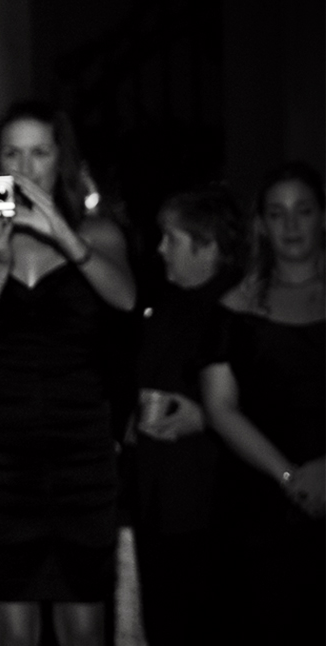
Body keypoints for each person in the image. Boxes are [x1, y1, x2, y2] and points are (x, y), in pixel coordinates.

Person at [0, 101, 136, 646]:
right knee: (10, 622)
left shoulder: (97, 233)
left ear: (62, 161)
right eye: (13, 153)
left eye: (40, 153)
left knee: (84, 620)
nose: (26, 169)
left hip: (81, 448)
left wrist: (61, 230)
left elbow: (125, 299)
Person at [200, 161, 325, 646]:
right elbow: (219, 407)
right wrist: (292, 477)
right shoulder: (235, 308)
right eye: (277, 213)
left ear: (322, 217)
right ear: (261, 224)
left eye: (304, 210)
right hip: (259, 503)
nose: (291, 225)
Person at [128, 186, 246, 645]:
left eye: (171, 239)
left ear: (208, 245)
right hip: (157, 496)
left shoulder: (238, 307)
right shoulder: (165, 304)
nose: (160, 249)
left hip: (210, 502)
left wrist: (207, 416)